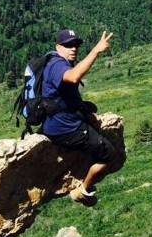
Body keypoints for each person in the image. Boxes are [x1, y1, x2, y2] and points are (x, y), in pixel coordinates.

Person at [41, 28, 115, 205]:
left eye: (75, 45)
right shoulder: (58, 65)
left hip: (56, 122)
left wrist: (87, 113)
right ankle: (82, 190)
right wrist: (96, 50)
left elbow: (68, 96)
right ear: (58, 47)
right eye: (68, 45)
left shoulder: (55, 61)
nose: (73, 48)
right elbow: (73, 78)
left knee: (91, 109)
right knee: (108, 153)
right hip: (65, 128)